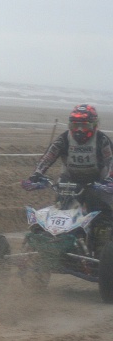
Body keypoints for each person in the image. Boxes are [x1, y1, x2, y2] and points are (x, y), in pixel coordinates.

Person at [25, 104, 113, 246]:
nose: (78, 130)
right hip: (70, 179)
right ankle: (54, 241)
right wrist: (36, 174)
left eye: (83, 126)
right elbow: (49, 156)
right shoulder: (65, 138)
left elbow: (110, 160)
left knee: (101, 214)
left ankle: (102, 250)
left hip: (98, 182)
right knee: (61, 207)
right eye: (75, 125)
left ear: (94, 125)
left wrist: (109, 180)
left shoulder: (101, 140)